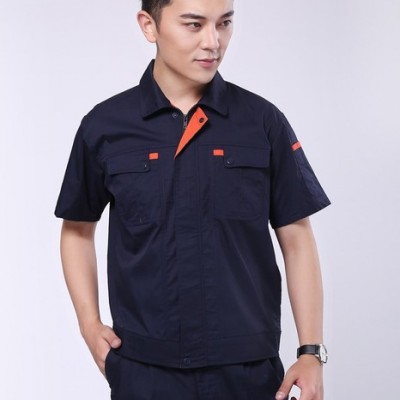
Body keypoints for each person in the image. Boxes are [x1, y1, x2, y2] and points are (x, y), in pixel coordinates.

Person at [55, 0, 330, 399]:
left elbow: (297, 238)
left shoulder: (262, 121)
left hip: (246, 371)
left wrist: (311, 351)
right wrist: (88, 323)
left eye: (224, 23)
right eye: (194, 25)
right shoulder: (105, 126)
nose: (213, 42)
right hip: (145, 370)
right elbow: (77, 231)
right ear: (149, 26)